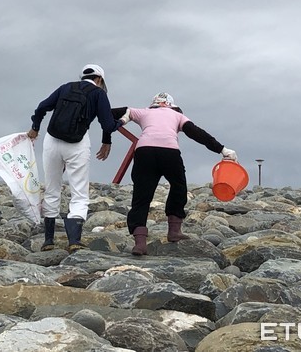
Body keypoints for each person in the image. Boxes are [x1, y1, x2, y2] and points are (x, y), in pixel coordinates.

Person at [102, 92, 238, 256]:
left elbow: (106, 112)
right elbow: (197, 133)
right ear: (172, 105)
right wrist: (222, 150)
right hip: (170, 153)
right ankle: (174, 231)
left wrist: (109, 132)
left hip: (144, 152)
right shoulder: (177, 116)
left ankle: (140, 243)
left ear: (154, 103)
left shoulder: (142, 112)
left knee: (141, 195)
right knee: (178, 186)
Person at [27, 64, 128, 252]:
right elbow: (107, 124)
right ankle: (73, 240)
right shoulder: (99, 94)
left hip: (52, 140)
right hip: (77, 143)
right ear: (100, 79)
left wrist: (35, 127)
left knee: (52, 187)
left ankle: (48, 241)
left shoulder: (66, 87)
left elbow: (42, 107)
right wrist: (121, 122)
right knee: (79, 191)